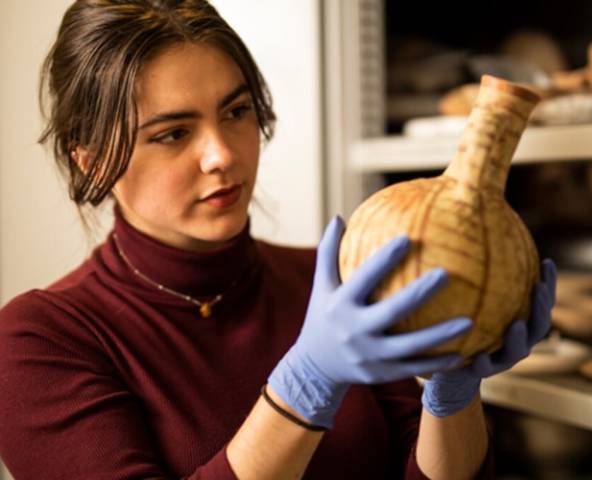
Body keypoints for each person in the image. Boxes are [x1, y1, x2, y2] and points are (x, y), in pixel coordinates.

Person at [0, 1, 556, 479]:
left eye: (236, 111)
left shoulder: (337, 281)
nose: (222, 154)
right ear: (92, 162)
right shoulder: (39, 341)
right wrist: (305, 384)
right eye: (172, 133)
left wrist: (451, 395)